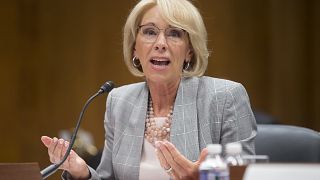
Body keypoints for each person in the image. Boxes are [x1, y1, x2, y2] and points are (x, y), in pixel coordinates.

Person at [41, 0, 257, 179]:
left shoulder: (225, 97)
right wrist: (81, 172)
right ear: (135, 47)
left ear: (189, 51)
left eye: (174, 33)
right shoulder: (120, 101)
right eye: (150, 32)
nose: (160, 43)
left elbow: (246, 176)